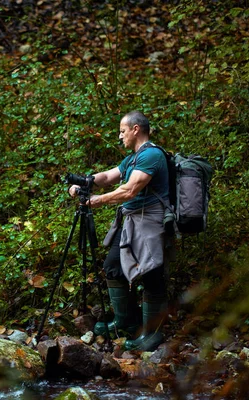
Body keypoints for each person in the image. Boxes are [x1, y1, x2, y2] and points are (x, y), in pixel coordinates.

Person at [68, 111, 170, 351]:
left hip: (150, 223)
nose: (119, 136)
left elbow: (129, 190)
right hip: (132, 222)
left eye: (122, 131)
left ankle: (152, 334)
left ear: (136, 129)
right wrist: (84, 182)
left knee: (151, 274)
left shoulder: (152, 155)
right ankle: (126, 322)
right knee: (113, 267)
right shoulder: (132, 159)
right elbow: (107, 177)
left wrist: (96, 201)